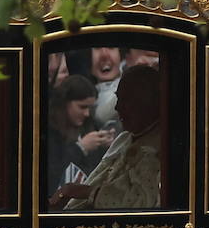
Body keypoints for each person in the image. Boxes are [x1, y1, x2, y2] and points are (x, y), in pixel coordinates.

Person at [63, 64, 164, 210]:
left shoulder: (159, 146)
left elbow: (142, 203)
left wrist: (88, 192)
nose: (117, 107)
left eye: (127, 100)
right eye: (118, 98)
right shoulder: (123, 140)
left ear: (149, 101)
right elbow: (93, 182)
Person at [46, 74, 111, 205]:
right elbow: (51, 175)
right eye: (82, 107)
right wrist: (80, 148)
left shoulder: (90, 126)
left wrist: (108, 146)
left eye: (90, 108)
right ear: (65, 103)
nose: (87, 114)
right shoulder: (49, 132)